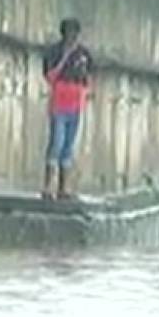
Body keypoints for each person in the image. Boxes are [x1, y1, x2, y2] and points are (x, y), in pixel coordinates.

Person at [41, 18, 93, 200]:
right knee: (56, 142)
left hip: (75, 104)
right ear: (64, 34)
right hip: (58, 104)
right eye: (70, 33)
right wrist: (65, 57)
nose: (73, 37)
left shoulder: (84, 54)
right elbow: (50, 76)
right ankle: (48, 186)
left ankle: (64, 188)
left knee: (68, 147)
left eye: (76, 34)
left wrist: (84, 95)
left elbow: (87, 78)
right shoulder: (54, 52)